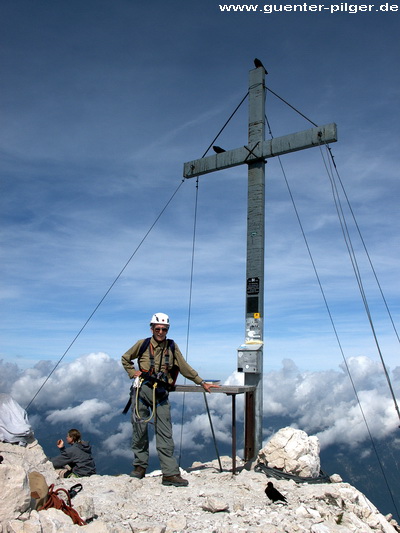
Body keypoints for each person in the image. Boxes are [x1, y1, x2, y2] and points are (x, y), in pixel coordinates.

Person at [121, 312, 219, 487]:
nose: (160, 332)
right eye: (157, 328)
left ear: (167, 330)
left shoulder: (172, 346)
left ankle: (170, 473)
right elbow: (125, 358)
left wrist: (201, 382)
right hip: (141, 393)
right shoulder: (142, 344)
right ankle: (139, 467)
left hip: (160, 393)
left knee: (165, 433)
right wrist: (132, 372)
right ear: (152, 328)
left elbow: (183, 367)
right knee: (139, 431)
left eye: (164, 329)